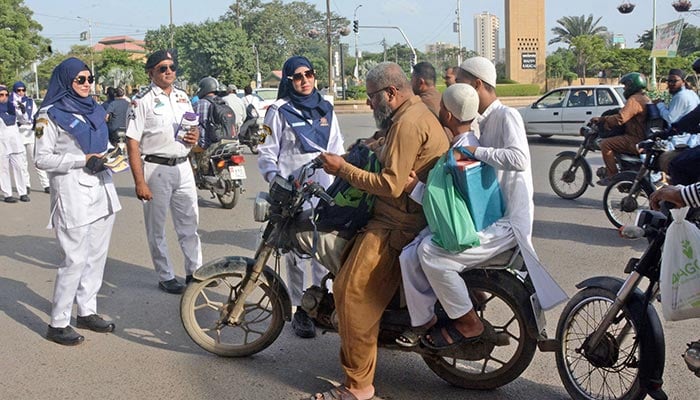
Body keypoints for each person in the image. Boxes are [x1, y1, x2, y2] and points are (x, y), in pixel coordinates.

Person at [407, 57, 566, 351]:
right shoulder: (481, 122)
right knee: (420, 246)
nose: (460, 92)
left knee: (433, 255)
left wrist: (476, 150)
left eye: (462, 84)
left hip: (508, 222)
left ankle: (467, 322)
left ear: (477, 84)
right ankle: (468, 297)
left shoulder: (507, 116)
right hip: (490, 216)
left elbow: (518, 159)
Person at [314, 61, 449, 400]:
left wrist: (342, 169)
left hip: (396, 224)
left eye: (373, 97)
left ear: (391, 92)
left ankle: (359, 387)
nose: (370, 104)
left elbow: (390, 185)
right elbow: (396, 159)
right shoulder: (410, 114)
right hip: (393, 217)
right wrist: (370, 146)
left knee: (351, 294)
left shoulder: (407, 124)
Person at [34, 57, 121, 345]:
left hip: (102, 189)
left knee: (97, 256)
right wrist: (79, 160)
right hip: (72, 192)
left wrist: (111, 155)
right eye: (79, 79)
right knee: (74, 258)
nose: (86, 84)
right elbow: (41, 158)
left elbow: (102, 145)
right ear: (65, 81)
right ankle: (58, 322)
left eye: (89, 78)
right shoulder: (49, 115)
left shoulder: (95, 110)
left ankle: (86, 310)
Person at [257, 56, 345, 339]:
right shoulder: (278, 111)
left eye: (309, 74)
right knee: (295, 253)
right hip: (292, 188)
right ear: (288, 81)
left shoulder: (326, 108)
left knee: (321, 248)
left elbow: (337, 149)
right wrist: (276, 181)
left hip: (323, 187)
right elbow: (267, 152)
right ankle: (297, 310)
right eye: (297, 77)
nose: (305, 80)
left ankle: (317, 305)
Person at [395, 83, 481, 346]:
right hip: (468, 219)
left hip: (457, 223)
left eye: (442, 106)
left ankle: (425, 320)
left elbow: (446, 202)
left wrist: (412, 187)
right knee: (411, 254)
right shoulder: (471, 142)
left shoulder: (458, 154)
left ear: (448, 116)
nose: (440, 109)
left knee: (412, 255)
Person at [125, 49, 202, 295]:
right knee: (156, 228)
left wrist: (195, 136)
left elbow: (192, 131)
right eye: (162, 68)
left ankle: (196, 271)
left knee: (189, 222)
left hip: (183, 166)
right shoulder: (141, 100)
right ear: (151, 72)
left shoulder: (182, 97)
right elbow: (132, 142)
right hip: (156, 168)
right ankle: (166, 275)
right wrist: (139, 182)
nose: (169, 72)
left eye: (172, 67)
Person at [590, 72, 651, 186]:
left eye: (626, 86)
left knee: (605, 144)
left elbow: (620, 118)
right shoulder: (644, 98)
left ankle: (612, 176)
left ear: (632, 85)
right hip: (642, 137)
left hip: (635, 139)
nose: (624, 89)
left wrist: (603, 119)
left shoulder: (634, 99)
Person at [12, 81, 50, 193]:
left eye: (23, 90)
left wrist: (37, 130)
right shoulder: (11, 102)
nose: (21, 92)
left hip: (30, 132)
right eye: (18, 90)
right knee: (22, 161)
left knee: (36, 159)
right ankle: (25, 184)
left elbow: (35, 116)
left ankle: (46, 184)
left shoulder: (30, 101)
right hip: (18, 132)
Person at [0, 85, 29, 203]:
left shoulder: (12, 108)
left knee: (20, 168)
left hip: (16, 144)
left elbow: (24, 120)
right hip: (2, 145)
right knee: (3, 170)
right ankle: (7, 194)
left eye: (6, 95)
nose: (4, 97)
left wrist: (23, 111)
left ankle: (23, 193)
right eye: (1, 95)